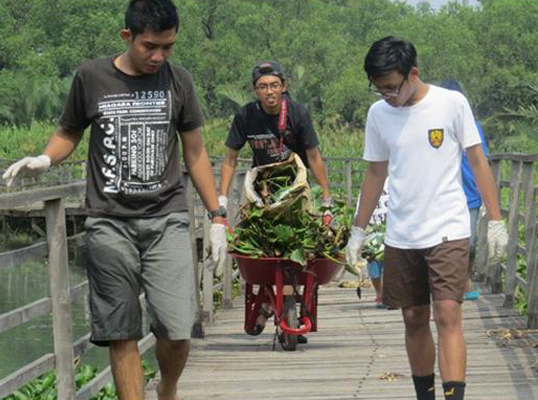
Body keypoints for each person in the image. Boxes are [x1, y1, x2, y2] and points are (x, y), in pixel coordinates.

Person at [2, 1, 227, 399]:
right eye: (150, 46)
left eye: (168, 47)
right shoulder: (92, 76)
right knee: (121, 331)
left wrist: (218, 217)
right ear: (127, 37)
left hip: (168, 217)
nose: (159, 56)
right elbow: (69, 132)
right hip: (108, 221)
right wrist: (44, 158)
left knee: (177, 329)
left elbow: (195, 152)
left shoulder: (179, 81)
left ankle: (167, 388)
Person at [346, 36, 508, 400]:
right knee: (413, 318)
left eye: (391, 87)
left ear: (413, 73)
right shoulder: (379, 114)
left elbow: (477, 160)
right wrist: (357, 231)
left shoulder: (451, 104)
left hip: (448, 227)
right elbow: (375, 173)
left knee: (448, 313)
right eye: (379, 89)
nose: (387, 96)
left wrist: (495, 219)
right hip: (402, 232)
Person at [218, 61, 332, 341]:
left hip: (296, 189)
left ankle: (275, 305)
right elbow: (230, 159)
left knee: (297, 251)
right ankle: (272, 302)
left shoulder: (297, 113)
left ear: (284, 87)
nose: (269, 92)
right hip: (263, 189)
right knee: (263, 249)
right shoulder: (245, 115)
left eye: (274, 86)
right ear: (255, 90)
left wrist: (326, 197)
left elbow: (314, 156)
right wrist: (221, 197)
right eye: (263, 87)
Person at [440, 79, 489, 301]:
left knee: (470, 244)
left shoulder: (473, 126)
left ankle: (464, 279)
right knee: (445, 242)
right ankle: (456, 285)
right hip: (444, 194)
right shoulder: (435, 127)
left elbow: (482, 161)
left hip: (469, 194)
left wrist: (488, 198)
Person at [355, 177, 389, 308]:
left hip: (391, 229)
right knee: (374, 267)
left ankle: (387, 294)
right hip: (372, 230)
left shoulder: (396, 182)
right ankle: (379, 293)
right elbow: (360, 207)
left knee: (391, 267)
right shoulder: (368, 185)